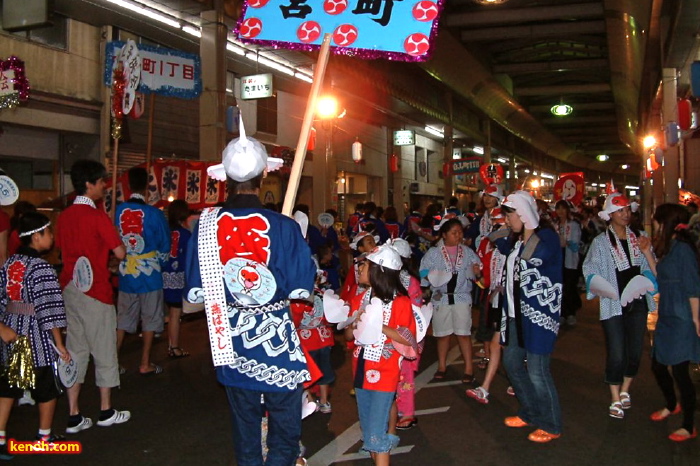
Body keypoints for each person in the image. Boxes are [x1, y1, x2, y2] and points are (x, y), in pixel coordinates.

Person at [185, 123, 316, 465]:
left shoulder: (205, 224)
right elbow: (303, 288)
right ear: (263, 178)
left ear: (226, 178)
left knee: (246, 434)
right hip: (276, 341)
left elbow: (196, 293)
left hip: (231, 342)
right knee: (285, 433)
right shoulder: (284, 226)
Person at [55, 159, 130, 433]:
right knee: (104, 350)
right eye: (101, 182)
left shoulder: (63, 217)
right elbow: (120, 252)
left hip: (70, 289)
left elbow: (63, 253)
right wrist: (110, 257)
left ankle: (74, 414)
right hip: (96, 291)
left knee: (75, 350)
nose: (104, 186)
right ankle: (105, 410)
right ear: (89, 184)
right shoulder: (97, 217)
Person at [0, 213, 71, 458]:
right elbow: (49, 309)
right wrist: (60, 344)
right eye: (49, 233)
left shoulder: (9, 263)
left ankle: (0, 439)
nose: (52, 237)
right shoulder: (42, 268)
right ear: (37, 236)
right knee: (46, 388)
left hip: (11, 332)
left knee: (9, 387)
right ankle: (44, 437)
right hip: (35, 335)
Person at [582, 191, 656, 419]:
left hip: (638, 301)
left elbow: (652, 269)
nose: (625, 214)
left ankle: (625, 389)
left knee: (634, 352)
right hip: (613, 303)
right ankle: (615, 395)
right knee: (616, 353)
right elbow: (589, 268)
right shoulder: (601, 242)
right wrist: (601, 286)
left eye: (627, 210)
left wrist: (646, 251)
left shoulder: (640, 236)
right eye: (620, 211)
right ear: (610, 215)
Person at [496, 191, 563, 443]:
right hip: (515, 314)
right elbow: (493, 239)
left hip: (538, 316)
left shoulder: (546, 237)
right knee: (512, 364)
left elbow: (537, 256)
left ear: (524, 214)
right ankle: (530, 412)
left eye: (511, 214)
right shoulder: (514, 240)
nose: (507, 219)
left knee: (538, 371)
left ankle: (551, 423)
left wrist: (529, 227)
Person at [345, 244, 417, 465]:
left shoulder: (401, 302)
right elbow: (348, 336)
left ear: (380, 271)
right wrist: (353, 321)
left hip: (385, 374)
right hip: (361, 370)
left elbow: (408, 337)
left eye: (364, 265)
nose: (359, 269)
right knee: (367, 428)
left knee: (377, 432)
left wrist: (379, 325)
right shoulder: (360, 299)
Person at [646, 204, 700, 441]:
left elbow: (693, 288)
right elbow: (661, 275)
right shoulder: (671, 247)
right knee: (658, 364)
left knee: (680, 371)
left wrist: (697, 320)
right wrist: (648, 253)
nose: (655, 226)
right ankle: (672, 404)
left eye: (657, 221)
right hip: (668, 313)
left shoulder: (684, 250)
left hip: (682, 317)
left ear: (665, 223)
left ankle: (689, 425)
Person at [115, 167, 170, 375]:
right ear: (147, 187)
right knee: (150, 318)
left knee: (122, 319)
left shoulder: (118, 212)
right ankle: (145, 362)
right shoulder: (154, 213)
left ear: (127, 185)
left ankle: (113, 363)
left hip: (126, 272)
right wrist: (160, 263)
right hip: (149, 274)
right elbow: (165, 245)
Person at [420, 218, 481, 383]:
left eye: (460, 232)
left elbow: (478, 268)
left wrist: (476, 271)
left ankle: (468, 369)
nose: (458, 235)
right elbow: (422, 271)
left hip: (462, 296)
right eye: (454, 233)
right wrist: (429, 277)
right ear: (444, 234)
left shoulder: (467, 252)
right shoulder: (433, 252)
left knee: (463, 333)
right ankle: (441, 366)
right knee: (443, 335)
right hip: (441, 298)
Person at [163, 199, 192, 358]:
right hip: (178, 277)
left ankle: (170, 344)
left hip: (163, 275)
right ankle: (174, 347)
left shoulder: (166, 232)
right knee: (175, 313)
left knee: (169, 312)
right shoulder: (185, 234)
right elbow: (190, 258)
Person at [554, 200, 582, 325]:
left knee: (570, 286)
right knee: (560, 286)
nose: (560, 212)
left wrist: (567, 242)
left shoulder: (574, 225)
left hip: (570, 259)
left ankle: (570, 313)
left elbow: (576, 244)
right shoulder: (554, 225)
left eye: (563, 209)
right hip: (557, 259)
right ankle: (562, 313)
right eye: (558, 209)